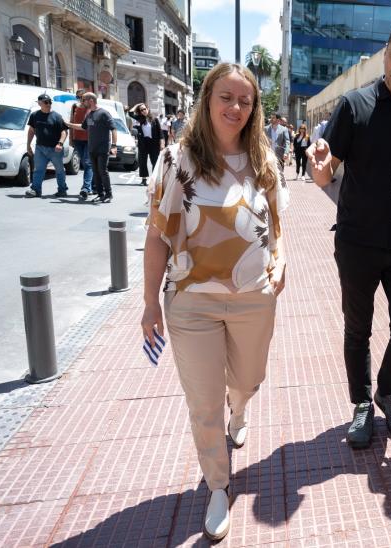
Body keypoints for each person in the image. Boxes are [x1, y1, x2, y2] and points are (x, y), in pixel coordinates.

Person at [140, 62, 287, 541]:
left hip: (254, 299)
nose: (235, 108)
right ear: (207, 99)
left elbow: (276, 226)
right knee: (204, 403)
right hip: (192, 302)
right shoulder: (176, 159)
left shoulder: (263, 158)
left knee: (247, 380)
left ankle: (238, 408)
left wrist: (281, 259)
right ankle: (218, 485)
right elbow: (157, 236)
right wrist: (149, 304)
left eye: (245, 100)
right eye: (226, 97)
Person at [306, 19, 391, 449]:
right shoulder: (354, 106)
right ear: (386, 54)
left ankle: (388, 392)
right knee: (358, 328)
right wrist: (318, 167)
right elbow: (326, 171)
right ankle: (362, 404)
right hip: (358, 242)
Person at [65, 93, 117, 203]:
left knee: (102, 171)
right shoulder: (89, 114)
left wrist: (114, 145)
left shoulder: (103, 113)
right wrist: (68, 124)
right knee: (95, 172)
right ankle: (100, 194)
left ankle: (109, 194)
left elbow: (113, 129)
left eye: (84, 99)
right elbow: (83, 127)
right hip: (92, 148)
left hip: (102, 148)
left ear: (91, 100)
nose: (82, 101)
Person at [24, 94, 68, 198]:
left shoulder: (57, 116)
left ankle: (62, 190)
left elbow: (64, 132)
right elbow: (31, 130)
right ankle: (35, 190)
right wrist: (28, 145)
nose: (49, 104)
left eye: (50, 102)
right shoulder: (34, 115)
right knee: (38, 170)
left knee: (59, 170)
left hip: (55, 149)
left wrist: (60, 143)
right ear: (39, 103)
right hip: (40, 148)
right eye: (46, 102)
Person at [129, 103, 164, 186]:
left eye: (144, 109)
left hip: (154, 144)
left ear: (147, 109)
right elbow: (130, 113)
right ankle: (144, 180)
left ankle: (154, 180)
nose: (143, 111)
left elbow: (160, 132)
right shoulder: (140, 119)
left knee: (155, 162)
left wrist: (162, 143)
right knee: (142, 162)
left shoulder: (155, 119)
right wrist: (137, 105)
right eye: (141, 110)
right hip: (143, 143)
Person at [69, 89, 94, 200]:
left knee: (88, 163)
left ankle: (86, 188)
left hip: (89, 139)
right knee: (85, 163)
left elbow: (91, 125)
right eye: (78, 97)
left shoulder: (91, 108)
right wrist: (70, 139)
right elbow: (71, 123)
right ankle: (92, 186)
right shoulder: (74, 106)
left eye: (82, 97)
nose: (81, 100)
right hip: (77, 139)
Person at [264, 113, 290, 180]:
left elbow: (287, 142)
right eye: (271, 117)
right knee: (269, 174)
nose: (271, 119)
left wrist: (286, 152)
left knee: (280, 174)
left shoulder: (284, 129)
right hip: (268, 155)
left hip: (280, 155)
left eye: (273, 118)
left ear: (278, 120)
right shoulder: (265, 129)